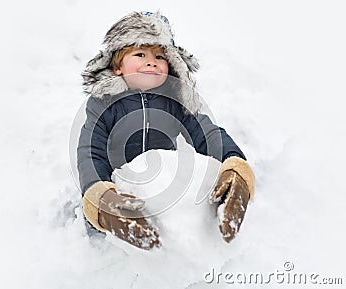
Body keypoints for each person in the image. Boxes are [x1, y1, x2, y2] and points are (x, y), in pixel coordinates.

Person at [77, 11, 255, 250]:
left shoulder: (174, 103)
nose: (152, 61)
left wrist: (234, 164)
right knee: (105, 241)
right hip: (117, 190)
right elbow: (90, 151)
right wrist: (99, 195)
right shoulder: (104, 103)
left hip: (158, 189)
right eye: (140, 53)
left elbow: (207, 133)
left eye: (160, 56)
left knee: (163, 239)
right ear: (117, 67)